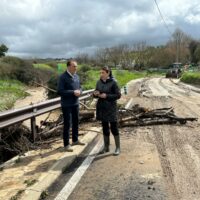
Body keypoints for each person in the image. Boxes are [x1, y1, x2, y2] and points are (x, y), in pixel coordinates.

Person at [57, 59, 85, 152]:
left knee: (76, 122)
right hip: (66, 105)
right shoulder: (63, 77)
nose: (76, 67)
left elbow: (80, 87)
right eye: (74, 66)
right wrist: (73, 92)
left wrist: (80, 91)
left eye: (76, 66)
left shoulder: (76, 76)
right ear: (68, 67)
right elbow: (60, 91)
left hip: (75, 103)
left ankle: (75, 140)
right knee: (67, 124)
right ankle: (66, 145)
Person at [93, 66, 121, 156]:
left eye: (103, 73)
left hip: (111, 108)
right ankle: (106, 147)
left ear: (108, 73)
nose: (101, 74)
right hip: (102, 107)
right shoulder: (98, 82)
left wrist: (107, 96)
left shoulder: (114, 82)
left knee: (114, 128)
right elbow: (96, 92)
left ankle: (118, 148)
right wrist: (95, 94)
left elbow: (118, 95)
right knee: (105, 127)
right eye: (100, 73)